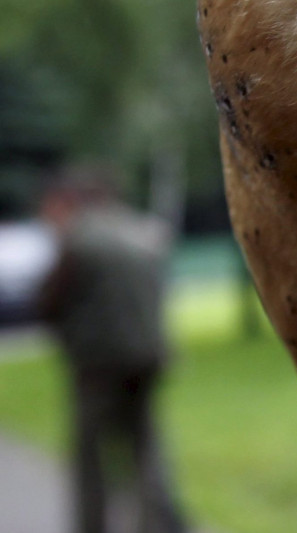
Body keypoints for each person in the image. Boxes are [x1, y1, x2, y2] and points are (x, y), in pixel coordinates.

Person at [38, 164, 187, 533]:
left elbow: (48, 302)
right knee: (145, 448)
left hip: (98, 364)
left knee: (91, 457)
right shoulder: (146, 231)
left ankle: (91, 526)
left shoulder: (78, 238)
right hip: (150, 356)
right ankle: (161, 524)